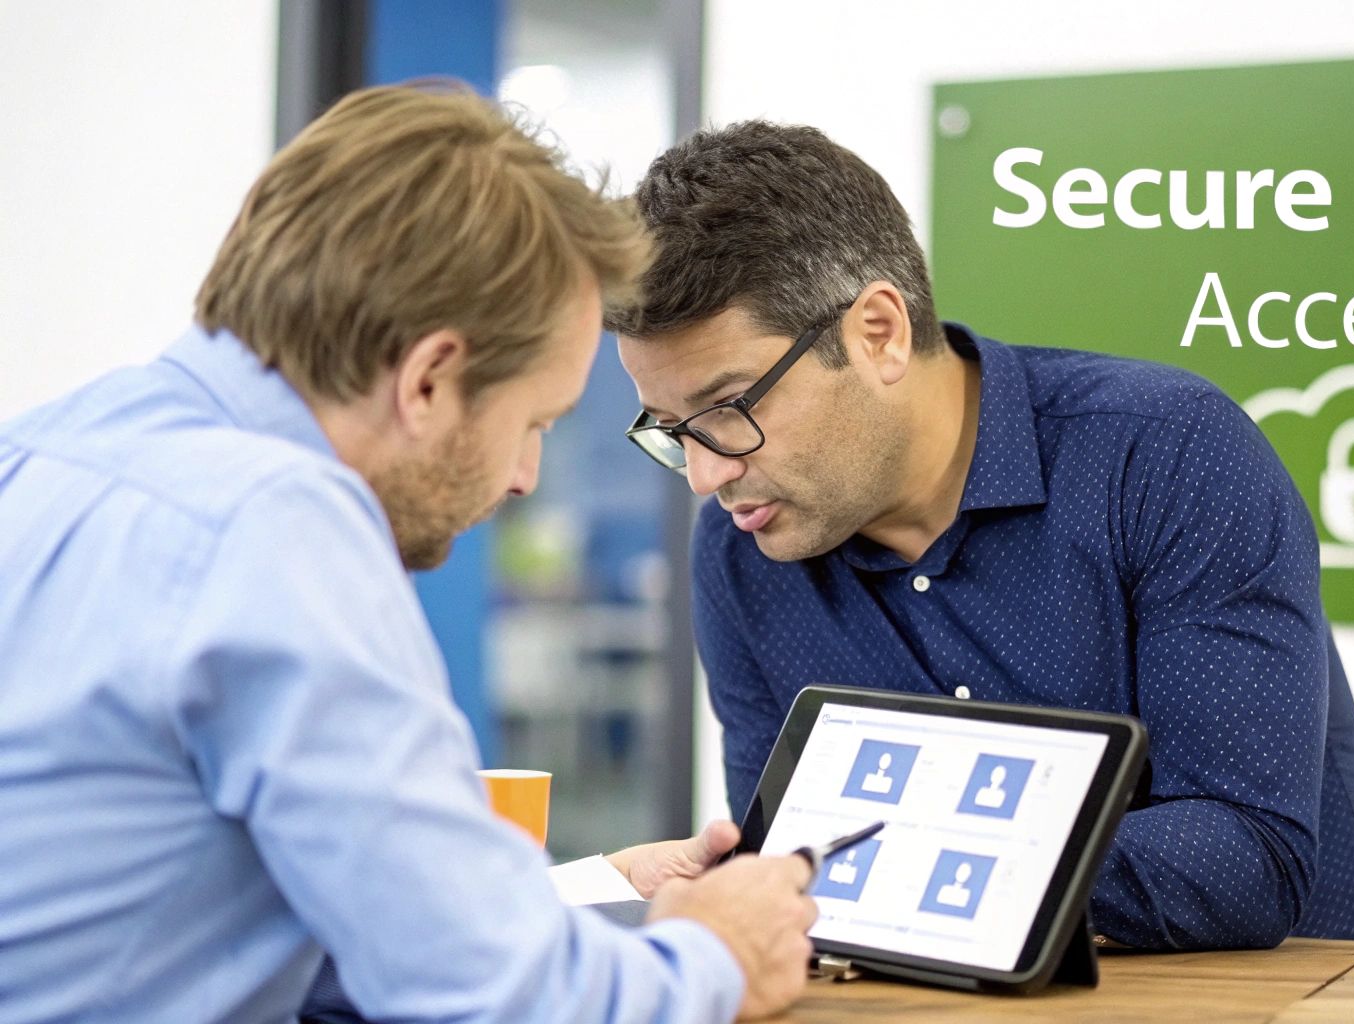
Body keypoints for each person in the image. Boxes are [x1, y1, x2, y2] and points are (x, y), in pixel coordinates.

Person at [0, 87, 815, 1024]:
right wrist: (716, 952)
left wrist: (587, 896)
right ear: (429, 379)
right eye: (534, 422)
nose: (522, 476)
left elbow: (296, 937)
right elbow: (501, 1002)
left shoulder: (42, 454)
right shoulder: (273, 528)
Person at [608, 121, 1354, 950]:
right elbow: (802, 871)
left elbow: (1246, 862)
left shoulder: (1166, 454)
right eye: (673, 430)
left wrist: (927, 856)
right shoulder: (741, 552)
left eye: (730, 410)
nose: (708, 478)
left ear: (879, 333)